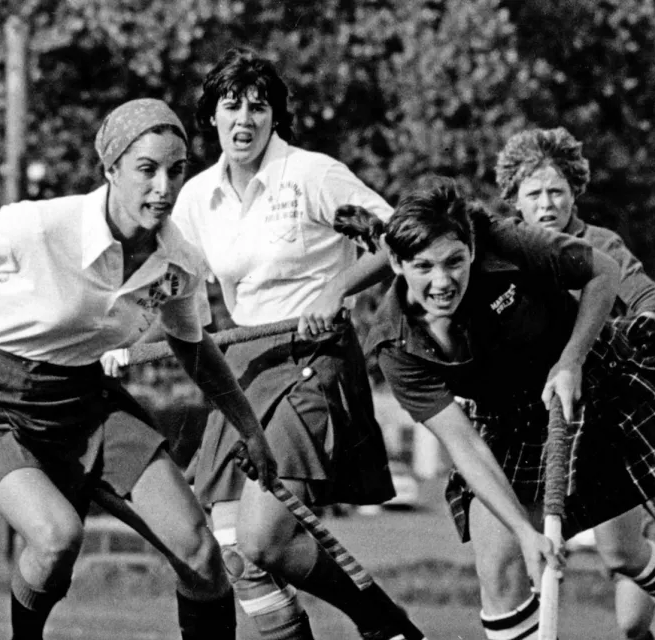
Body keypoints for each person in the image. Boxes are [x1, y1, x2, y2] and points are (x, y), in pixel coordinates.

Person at [337, 175, 655, 640]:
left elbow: (602, 270)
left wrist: (571, 360)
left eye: (455, 262)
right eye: (424, 267)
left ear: (472, 247)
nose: (443, 282)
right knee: (499, 572)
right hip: (511, 423)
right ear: (395, 263)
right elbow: (464, 446)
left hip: (602, 379)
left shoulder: (505, 242)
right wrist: (525, 533)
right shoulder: (396, 347)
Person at [0, 98, 277, 640]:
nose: (164, 187)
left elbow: (194, 348)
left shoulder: (179, 260)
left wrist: (249, 429)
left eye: (176, 170)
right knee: (56, 537)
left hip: (85, 401)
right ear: (111, 168)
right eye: (146, 169)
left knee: (202, 556)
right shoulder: (40, 228)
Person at [166, 47, 410, 640]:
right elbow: (177, 287)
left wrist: (337, 287)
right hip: (243, 367)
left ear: (276, 116)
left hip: (311, 358)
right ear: (213, 117)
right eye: (232, 107)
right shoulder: (197, 197)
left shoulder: (311, 175)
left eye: (258, 107)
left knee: (262, 539)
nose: (244, 120)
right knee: (235, 553)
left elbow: (399, 238)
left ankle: (383, 624)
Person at [495, 126, 655, 640]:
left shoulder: (599, 244)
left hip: (613, 417)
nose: (547, 203)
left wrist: (607, 342)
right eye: (534, 193)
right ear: (514, 199)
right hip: (535, 425)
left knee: (625, 563)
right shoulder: (500, 253)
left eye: (556, 191)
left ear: (574, 193)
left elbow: (653, 305)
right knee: (624, 608)